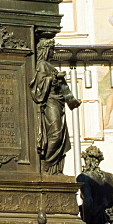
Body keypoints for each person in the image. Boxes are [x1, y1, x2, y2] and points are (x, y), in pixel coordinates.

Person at [30, 38, 81, 174]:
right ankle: (46, 163)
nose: (53, 53)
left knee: (59, 135)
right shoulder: (41, 65)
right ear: (46, 50)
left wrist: (73, 101)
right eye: (52, 50)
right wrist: (54, 78)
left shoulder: (49, 66)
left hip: (58, 104)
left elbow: (65, 90)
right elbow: (38, 88)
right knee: (56, 134)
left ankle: (52, 166)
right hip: (50, 102)